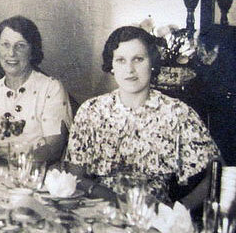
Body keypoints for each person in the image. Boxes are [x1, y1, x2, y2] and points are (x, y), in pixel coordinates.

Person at [65, 26, 220, 208]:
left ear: (152, 62)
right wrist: (115, 200)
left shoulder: (177, 113)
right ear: (112, 66)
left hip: (151, 220)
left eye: (138, 59)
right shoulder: (91, 110)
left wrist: (179, 210)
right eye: (121, 60)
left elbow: (217, 170)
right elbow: (74, 175)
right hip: (97, 211)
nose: (129, 69)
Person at [0, 16, 73, 164]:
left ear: (32, 51)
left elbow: (54, 147)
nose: (11, 53)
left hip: (38, 173)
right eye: (5, 45)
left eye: (20, 46)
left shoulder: (50, 89)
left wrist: (21, 165)